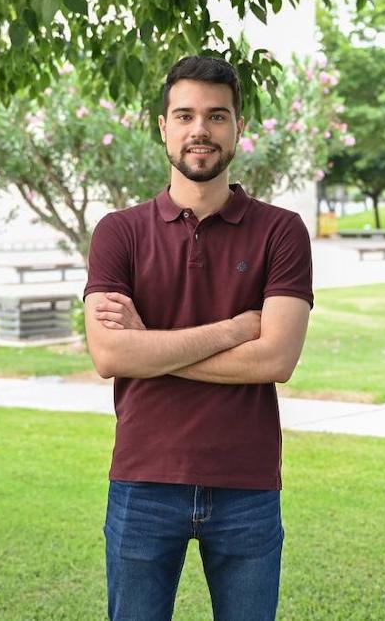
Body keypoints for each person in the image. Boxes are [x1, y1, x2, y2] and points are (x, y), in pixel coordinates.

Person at [83, 55, 314, 621]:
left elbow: (277, 359)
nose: (200, 130)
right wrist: (236, 329)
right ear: (162, 127)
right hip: (144, 479)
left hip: (247, 484)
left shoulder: (281, 231)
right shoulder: (119, 233)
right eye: (184, 115)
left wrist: (152, 350)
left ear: (238, 128)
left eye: (217, 116)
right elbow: (111, 353)